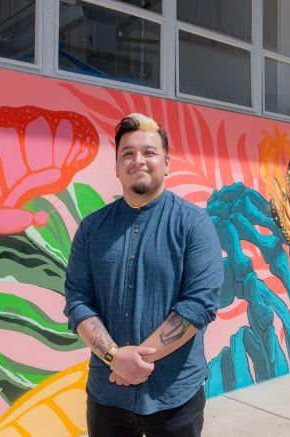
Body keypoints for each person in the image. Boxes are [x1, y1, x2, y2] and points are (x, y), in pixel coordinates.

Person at [64, 113, 224, 437]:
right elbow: (78, 300)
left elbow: (199, 304)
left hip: (175, 399)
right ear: (117, 166)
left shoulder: (194, 224)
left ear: (166, 163)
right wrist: (114, 357)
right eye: (128, 153)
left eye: (149, 152)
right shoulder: (92, 229)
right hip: (107, 399)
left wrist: (133, 363)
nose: (138, 160)